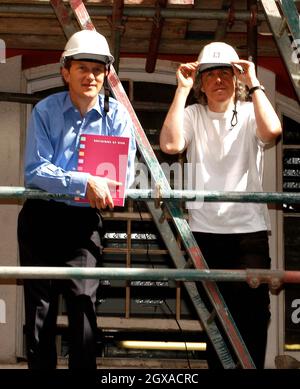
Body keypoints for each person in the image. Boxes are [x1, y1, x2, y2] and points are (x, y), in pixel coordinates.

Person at [17, 29, 136, 370]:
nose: (91, 76)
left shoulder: (117, 118)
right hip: (41, 215)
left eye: (98, 70)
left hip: (84, 221)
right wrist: (85, 182)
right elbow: (35, 170)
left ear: (106, 75)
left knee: (84, 306)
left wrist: (96, 188)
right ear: (65, 72)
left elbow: (122, 179)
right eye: (82, 68)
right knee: (40, 311)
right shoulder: (46, 110)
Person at [160, 42, 282, 369]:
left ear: (235, 78)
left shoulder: (247, 111)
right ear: (201, 82)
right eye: (210, 74)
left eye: (225, 73)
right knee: (215, 316)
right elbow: (170, 144)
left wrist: (254, 81)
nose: (218, 80)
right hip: (204, 231)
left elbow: (272, 131)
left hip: (249, 230)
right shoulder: (193, 114)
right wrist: (182, 89)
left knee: (254, 315)